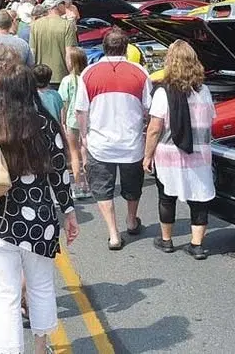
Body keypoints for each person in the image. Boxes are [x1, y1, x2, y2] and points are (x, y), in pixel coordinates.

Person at [0, 66, 78, 354]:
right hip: (39, 221)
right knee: (42, 287)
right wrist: (69, 213)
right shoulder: (45, 124)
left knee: (5, 296)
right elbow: (60, 173)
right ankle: (40, 347)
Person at [75, 29, 151, 250]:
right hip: (131, 142)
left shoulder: (89, 73)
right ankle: (131, 219)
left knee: (102, 188)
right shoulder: (139, 72)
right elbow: (148, 108)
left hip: (100, 142)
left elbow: (81, 111)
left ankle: (113, 233)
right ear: (126, 47)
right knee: (132, 186)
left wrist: (83, 135)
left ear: (103, 46)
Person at [142, 41, 216, 260]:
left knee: (166, 196)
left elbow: (155, 128)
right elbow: (210, 120)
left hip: (169, 153)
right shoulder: (204, 91)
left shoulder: (163, 93)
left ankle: (166, 240)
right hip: (199, 152)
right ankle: (197, 245)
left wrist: (147, 155)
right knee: (200, 198)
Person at [58, 47, 90, 199]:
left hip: (72, 119)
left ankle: (78, 185)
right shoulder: (87, 78)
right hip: (87, 119)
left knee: (73, 153)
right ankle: (89, 184)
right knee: (85, 152)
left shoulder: (67, 80)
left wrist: (61, 121)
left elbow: (63, 103)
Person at [29, 0, 77, 87]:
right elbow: (69, 54)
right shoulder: (67, 25)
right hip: (60, 76)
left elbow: (32, 52)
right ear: (57, 5)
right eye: (63, 3)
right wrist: (73, 76)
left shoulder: (35, 25)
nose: (65, 5)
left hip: (40, 76)